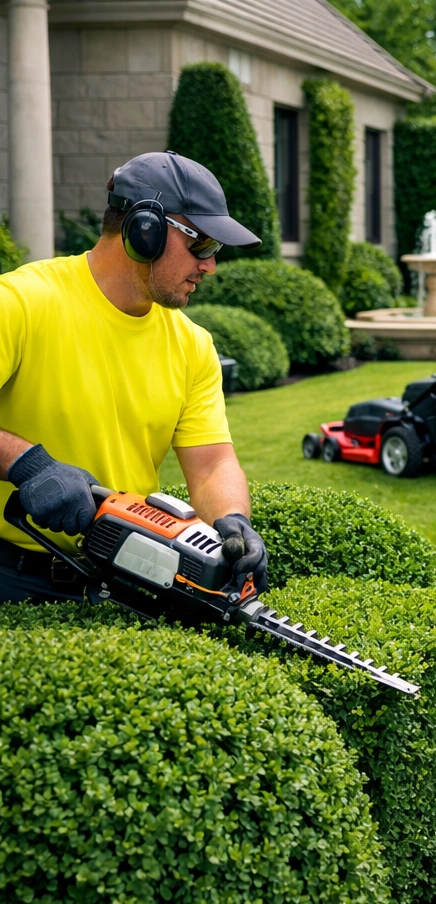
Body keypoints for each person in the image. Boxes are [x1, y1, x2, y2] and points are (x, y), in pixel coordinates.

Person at [0, 150, 268, 603]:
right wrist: (29, 466)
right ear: (146, 229)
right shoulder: (22, 303)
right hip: (12, 574)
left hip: (125, 580)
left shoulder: (192, 344)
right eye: (202, 244)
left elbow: (211, 464)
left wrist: (233, 522)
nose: (210, 265)